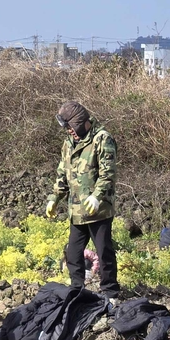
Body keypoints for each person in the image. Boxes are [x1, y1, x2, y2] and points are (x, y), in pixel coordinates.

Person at [46, 101, 120, 299]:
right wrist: (55, 198)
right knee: (73, 253)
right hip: (77, 210)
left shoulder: (102, 139)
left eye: (70, 127)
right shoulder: (69, 143)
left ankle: (110, 291)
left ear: (79, 122)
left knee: (104, 251)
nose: (69, 131)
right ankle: (77, 289)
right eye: (66, 128)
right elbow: (63, 173)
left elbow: (108, 174)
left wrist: (97, 196)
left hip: (99, 210)